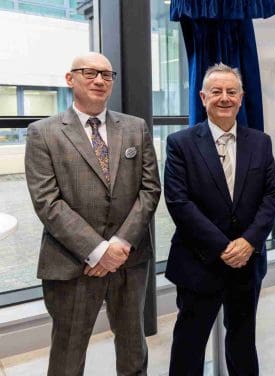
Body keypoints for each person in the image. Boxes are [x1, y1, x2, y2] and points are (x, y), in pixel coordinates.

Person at [24, 52, 161, 376]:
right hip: (72, 263)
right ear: (70, 79)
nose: (99, 80)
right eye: (89, 73)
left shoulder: (135, 128)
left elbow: (150, 189)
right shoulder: (43, 133)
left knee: (132, 348)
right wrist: (98, 251)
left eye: (106, 74)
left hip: (129, 260)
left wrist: (120, 244)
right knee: (68, 355)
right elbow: (47, 202)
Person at [164, 63, 275, 376]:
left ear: (241, 98)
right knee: (189, 342)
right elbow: (179, 202)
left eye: (232, 92)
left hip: (247, 263)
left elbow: (270, 198)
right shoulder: (180, 144)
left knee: (243, 341)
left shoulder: (260, 142)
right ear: (203, 98)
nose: (224, 98)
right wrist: (224, 247)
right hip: (198, 261)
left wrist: (248, 243)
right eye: (217, 92)